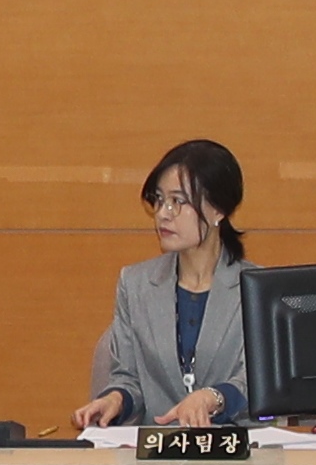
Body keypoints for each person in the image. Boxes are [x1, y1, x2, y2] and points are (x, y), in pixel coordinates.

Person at [70, 139, 259, 432]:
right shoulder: (135, 285)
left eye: (178, 201)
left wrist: (214, 397)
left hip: (238, 459)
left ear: (218, 210)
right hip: (157, 457)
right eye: (159, 199)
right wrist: (115, 399)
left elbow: (260, 381)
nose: (163, 213)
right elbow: (127, 377)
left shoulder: (255, 288)